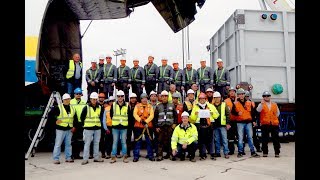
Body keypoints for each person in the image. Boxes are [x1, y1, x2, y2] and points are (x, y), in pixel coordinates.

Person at [190, 93, 219, 160]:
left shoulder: (211, 106)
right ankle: (203, 154)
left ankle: (212, 153)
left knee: (211, 140)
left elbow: (217, 115)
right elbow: (192, 118)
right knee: (201, 141)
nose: (202, 100)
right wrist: (195, 114)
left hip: (209, 125)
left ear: (205, 99)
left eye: (203, 98)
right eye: (200, 99)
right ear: (198, 99)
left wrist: (211, 112)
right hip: (200, 125)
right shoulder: (195, 107)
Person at [50, 93, 78, 164]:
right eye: (66, 99)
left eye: (68, 99)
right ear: (63, 100)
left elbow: (75, 118)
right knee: (58, 144)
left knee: (68, 144)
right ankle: (56, 158)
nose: (67, 100)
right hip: (60, 129)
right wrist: (55, 121)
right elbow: (50, 115)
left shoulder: (72, 108)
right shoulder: (58, 107)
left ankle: (68, 157)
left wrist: (74, 126)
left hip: (69, 129)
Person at [233, 89, 260, 158]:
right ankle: (240, 152)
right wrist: (237, 113)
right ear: (238, 95)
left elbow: (252, 113)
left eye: (242, 94)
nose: (241, 95)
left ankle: (253, 152)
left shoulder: (249, 103)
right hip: (240, 123)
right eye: (240, 94)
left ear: (244, 95)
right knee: (240, 138)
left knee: (250, 137)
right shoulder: (235, 103)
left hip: (248, 122)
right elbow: (232, 112)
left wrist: (253, 121)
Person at [80, 92, 104, 165]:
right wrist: (85, 125)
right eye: (93, 99)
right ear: (90, 99)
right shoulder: (86, 107)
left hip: (97, 128)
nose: (94, 101)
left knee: (96, 143)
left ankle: (96, 158)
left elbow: (101, 117)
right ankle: (85, 159)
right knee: (87, 143)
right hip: (88, 128)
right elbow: (82, 117)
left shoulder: (100, 107)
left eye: (95, 99)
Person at [153, 90, 177, 161]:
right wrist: (156, 126)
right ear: (161, 97)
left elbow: (175, 116)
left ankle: (170, 155)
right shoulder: (158, 106)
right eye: (163, 96)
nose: (164, 98)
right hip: (161, 126)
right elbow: (155, 117)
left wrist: (174, 124)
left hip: (170, 126)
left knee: (170, 141)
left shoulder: (172, 105)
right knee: (160, 141)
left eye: (166, 96)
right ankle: (160, 155)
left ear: (168, 97)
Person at [256, 91, 281, 158]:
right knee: (264, 139)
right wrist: (261, 104)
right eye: (264, 96)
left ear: (270, 96)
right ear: (263, 97)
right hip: (265, 124)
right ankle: (265, 152)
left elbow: (277, 113)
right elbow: (258, 110)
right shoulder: (261, 104)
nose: (266, 97)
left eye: (267, 96)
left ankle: (277, 152)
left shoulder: (274, 104)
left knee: (276, 139)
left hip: (274, 124)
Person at [107, 90, 130, 163]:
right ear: (117, 97)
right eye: (119, 96)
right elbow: (111, 115)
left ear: (124, 97)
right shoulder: (113, 105)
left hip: (123, 127)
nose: (120, 98)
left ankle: (125, 157)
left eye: (122, 96)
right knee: (115, 142)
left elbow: (129, 116)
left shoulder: (127, 105)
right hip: (115, 127)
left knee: (123, 142)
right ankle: (113, 157)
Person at [133, 93, 155, 162]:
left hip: (148, 126)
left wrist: (146, 121)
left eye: (146, 98)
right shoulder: (137, 106)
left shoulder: (150, 106)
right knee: (137, 141)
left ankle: (150, 155)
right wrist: (140, 120)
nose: (144, 99)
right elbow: (135, 114)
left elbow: (152, 115)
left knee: (149, 141)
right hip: (139, 126)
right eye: (143, 98)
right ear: (141, 99)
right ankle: (136, 156)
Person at [212, 92, 231, 159]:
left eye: (218, 97)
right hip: (215, 125)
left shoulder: (224, 104)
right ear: (214, 98)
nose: (217, 99)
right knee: (217, 140)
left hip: (223, 125)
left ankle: (226, 153)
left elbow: (228, 114)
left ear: (220, 98)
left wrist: (228, 123)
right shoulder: (212, 105)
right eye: (216, 98)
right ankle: (217, 153)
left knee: (224, 140)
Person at [70, 88, 86, 160]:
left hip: (81, 123)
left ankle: (77, 154)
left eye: (80, 94)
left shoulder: (84, 102)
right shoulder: (71, 102)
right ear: (74, 94)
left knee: (80, 140)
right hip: (73, 123)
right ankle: (72, 155)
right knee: (73, 140)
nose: (78, 95)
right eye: (77, 94)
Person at [224, 87, 238, 155]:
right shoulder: (226, 101)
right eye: (230, 91)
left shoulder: (239, 100)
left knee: (240, 136)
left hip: (238, 121)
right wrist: (227, 122)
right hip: (230, 121)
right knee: (230, 137)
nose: (232, 92)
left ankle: (241, 150)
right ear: (229, 93)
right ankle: (231, 150)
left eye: (233, 91)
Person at [127, 93, 138, 157]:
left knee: (136, 139)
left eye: (134, 98)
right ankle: (128, 152)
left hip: (136, 124)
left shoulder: (138, 105)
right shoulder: (127, 105)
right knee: (128, 139)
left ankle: (136, 153)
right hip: (129, 124)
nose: (133, 99)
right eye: (131, 98)